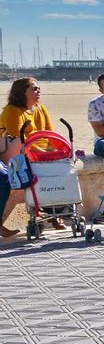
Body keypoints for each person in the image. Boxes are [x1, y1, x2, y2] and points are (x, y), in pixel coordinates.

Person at [1, 77, 57, 235]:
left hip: (37, 150)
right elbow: (17, 138)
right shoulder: (12, 110)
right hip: (14, 151)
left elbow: (50, 133)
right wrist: (44, 153)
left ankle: (56, 213)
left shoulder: (40, 108)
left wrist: (56, 151)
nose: (38, 91)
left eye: (39, 88)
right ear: (21, 92)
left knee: (60, 168)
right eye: (34, 88)